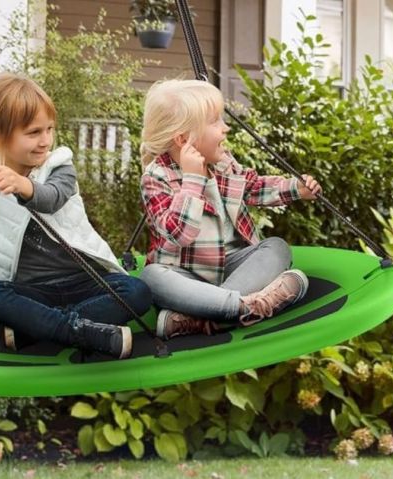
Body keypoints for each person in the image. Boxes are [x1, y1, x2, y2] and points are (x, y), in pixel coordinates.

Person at [0, 73, 151, 358]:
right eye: (34, 133)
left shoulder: (60, 165)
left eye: (49, 129)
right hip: (31, 291)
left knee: (137, 292)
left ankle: (36, 329)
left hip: (83, 281)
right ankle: (79, 330)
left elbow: (52, 198)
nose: (45, 140)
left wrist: (23, 185)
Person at [138, 79, 322, 339]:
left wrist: (296, 189)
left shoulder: (223, 163)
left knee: (276, 247)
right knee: (151, 277)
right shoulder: (156, 177)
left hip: (234, 268)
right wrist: (192, 181)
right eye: (214, 122)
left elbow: (254, 186)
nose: (225, 128)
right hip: (186, 276)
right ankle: (250, 307)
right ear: (183, 138)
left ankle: (201, 319)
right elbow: (180, 233)